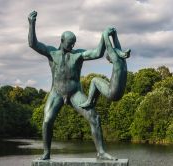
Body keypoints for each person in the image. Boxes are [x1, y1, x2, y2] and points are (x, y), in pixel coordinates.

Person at [28, 11, 116, 160]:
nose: (73, 45)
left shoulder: (78, 55)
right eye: (70, 43)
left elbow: (97, 53)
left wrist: (104, 36)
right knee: (47, 120)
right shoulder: (52, 53)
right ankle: (46, 153)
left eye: (74, 43)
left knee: (94, 117)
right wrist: (31, 24)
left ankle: (101, 152)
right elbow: (33, 44)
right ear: (62, 40)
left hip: (75, 93)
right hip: (56, 92)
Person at [79, 28, 130, 108]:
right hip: (120, 94)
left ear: (112, 59)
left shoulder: (116, 62)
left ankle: (89, 102)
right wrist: (114, 35)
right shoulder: (123, 61)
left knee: (94, 80)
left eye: (109, 59)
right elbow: (118, 48)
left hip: (112, 93)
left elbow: (109, 46)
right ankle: (94, 102)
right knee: (101, 82)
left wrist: (105, 34)